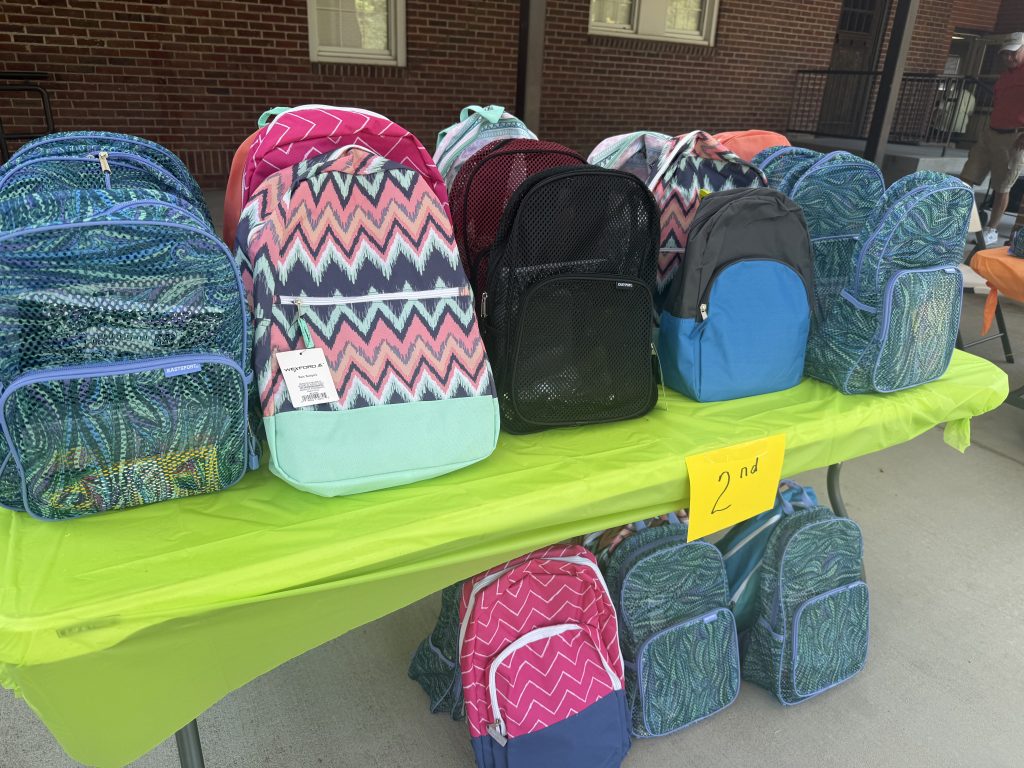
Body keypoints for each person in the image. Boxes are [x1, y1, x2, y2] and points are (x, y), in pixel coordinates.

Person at [960, 32, 1024, 246]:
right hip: (990, 133)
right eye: (1005, 53)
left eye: (1013, 53)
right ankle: (961, 221)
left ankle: (991, 229)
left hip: (1014, 137)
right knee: (966, 179)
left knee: (1002, 187)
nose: (1008, 57)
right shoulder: (1005, 76)